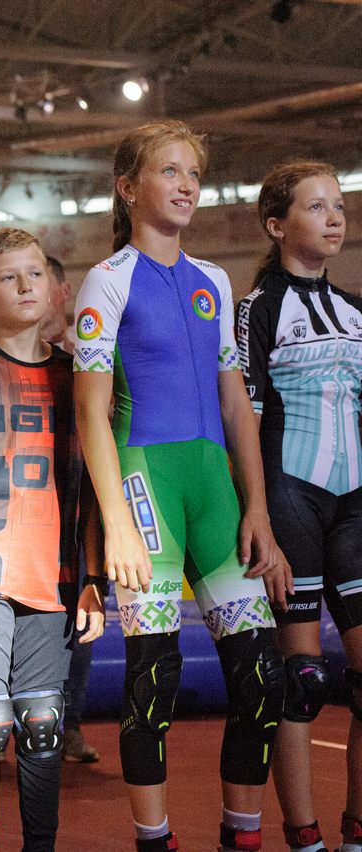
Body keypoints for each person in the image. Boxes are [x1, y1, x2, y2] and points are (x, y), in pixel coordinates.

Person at [72, 119, 290, 852]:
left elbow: (236, 405)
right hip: (147, 489)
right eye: (169, 171)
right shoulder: (108, 281)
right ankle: (154, 839)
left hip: (214, 494)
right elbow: (91, 414)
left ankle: (241, 835)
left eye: (193, 172)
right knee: (153, 681)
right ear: (128, 188)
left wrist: (257, 509)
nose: (187, 185)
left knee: (262, 677)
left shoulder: (214, 281)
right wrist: (118, 523)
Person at [0, 227, 105, 852]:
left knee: (43, 723)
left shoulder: (79, 377)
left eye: (34, 273)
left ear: (55, 287)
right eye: (9, 277)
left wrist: (93, 581)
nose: (26, 286)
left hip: (56, 579)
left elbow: (93, 491)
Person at [236, 162, 362, 852]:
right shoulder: (257, 309)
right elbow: (244, 422)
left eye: (338, 206)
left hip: (356, 508)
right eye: (316, 207)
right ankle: (304, 837)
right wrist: (257, 516)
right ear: (277, 225)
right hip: (291, 501)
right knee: (303, 682)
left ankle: (357, 833)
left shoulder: (358, 312)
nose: (334, 217)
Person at [40, 254, 101, 765]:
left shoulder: (89, 357)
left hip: (82, 509)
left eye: (41, 279)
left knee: (82, 621)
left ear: (63, 292)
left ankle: (71, 724)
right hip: (27, 514)